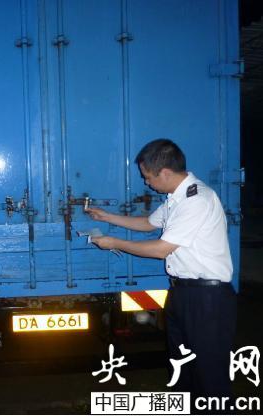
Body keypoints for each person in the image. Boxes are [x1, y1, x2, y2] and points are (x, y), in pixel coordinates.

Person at [86, 138, 236, 401]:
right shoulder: (175, 199)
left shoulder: (197, 200)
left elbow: (161, 249)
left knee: (209, 376)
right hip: (182, 293)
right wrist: (107, 217)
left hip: (207, 299)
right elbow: (148, 223)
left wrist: (114, 243)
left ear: (165, 173)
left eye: (148, 177)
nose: (147, 183)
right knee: (183, 371)